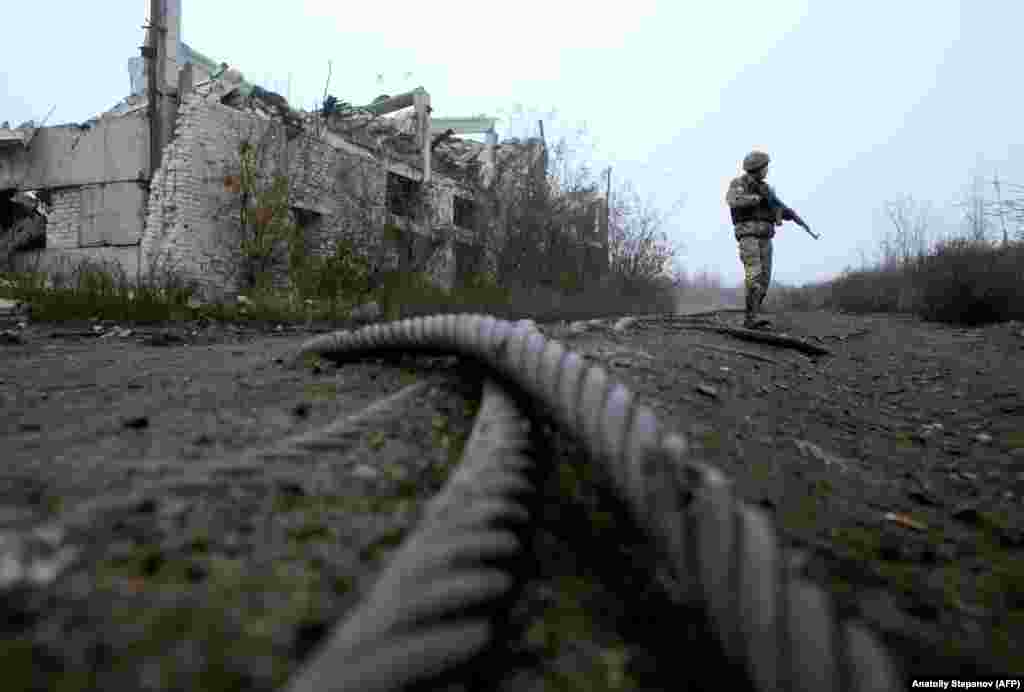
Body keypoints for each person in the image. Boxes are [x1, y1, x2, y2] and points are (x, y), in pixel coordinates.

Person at [725, 150, 798, 330]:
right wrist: (757, 199)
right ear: (757, 168)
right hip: (748, 236)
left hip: (766, 237)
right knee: (754, 275)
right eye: (765, 167)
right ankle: (750, 318)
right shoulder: (739, 183)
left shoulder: (766, 188)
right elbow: (734, 200)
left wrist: (785, 213)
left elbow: (775, 209)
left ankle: (754, 315)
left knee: (764, 279)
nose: (767, 170)